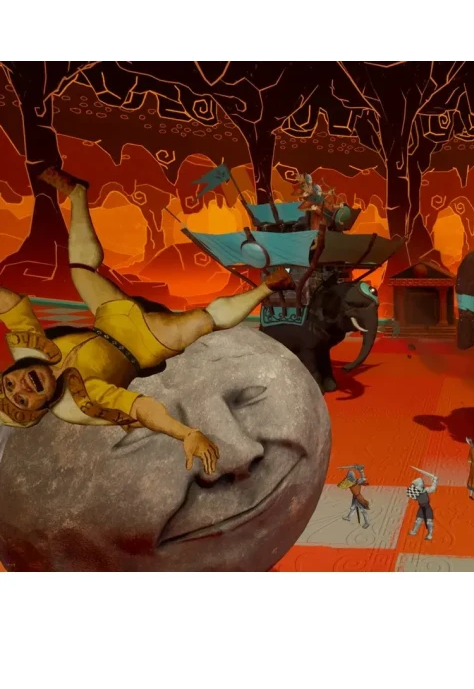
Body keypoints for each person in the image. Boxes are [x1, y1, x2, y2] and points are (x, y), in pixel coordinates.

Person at [0, 169, 295, 475]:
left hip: (108, 317)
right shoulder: (78, 404)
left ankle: (77, 195)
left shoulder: (27, 350)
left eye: (9, 384)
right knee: (202, 321)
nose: (21, 386)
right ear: (37, 411)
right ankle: (269, 287)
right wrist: (186, 433)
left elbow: (11, 306)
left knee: (80, 270)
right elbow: (140, 408)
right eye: (20, 400)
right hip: (143, 344)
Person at [407, 473, 438, 541]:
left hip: (427, 507)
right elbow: (412, 495)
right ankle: (414, 531)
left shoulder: (425, 490)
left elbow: (433, 489)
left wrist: (435, 481)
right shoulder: (415, 491)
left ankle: (430, 535)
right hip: (421, 507)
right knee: (418, 520)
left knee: (429, 521)